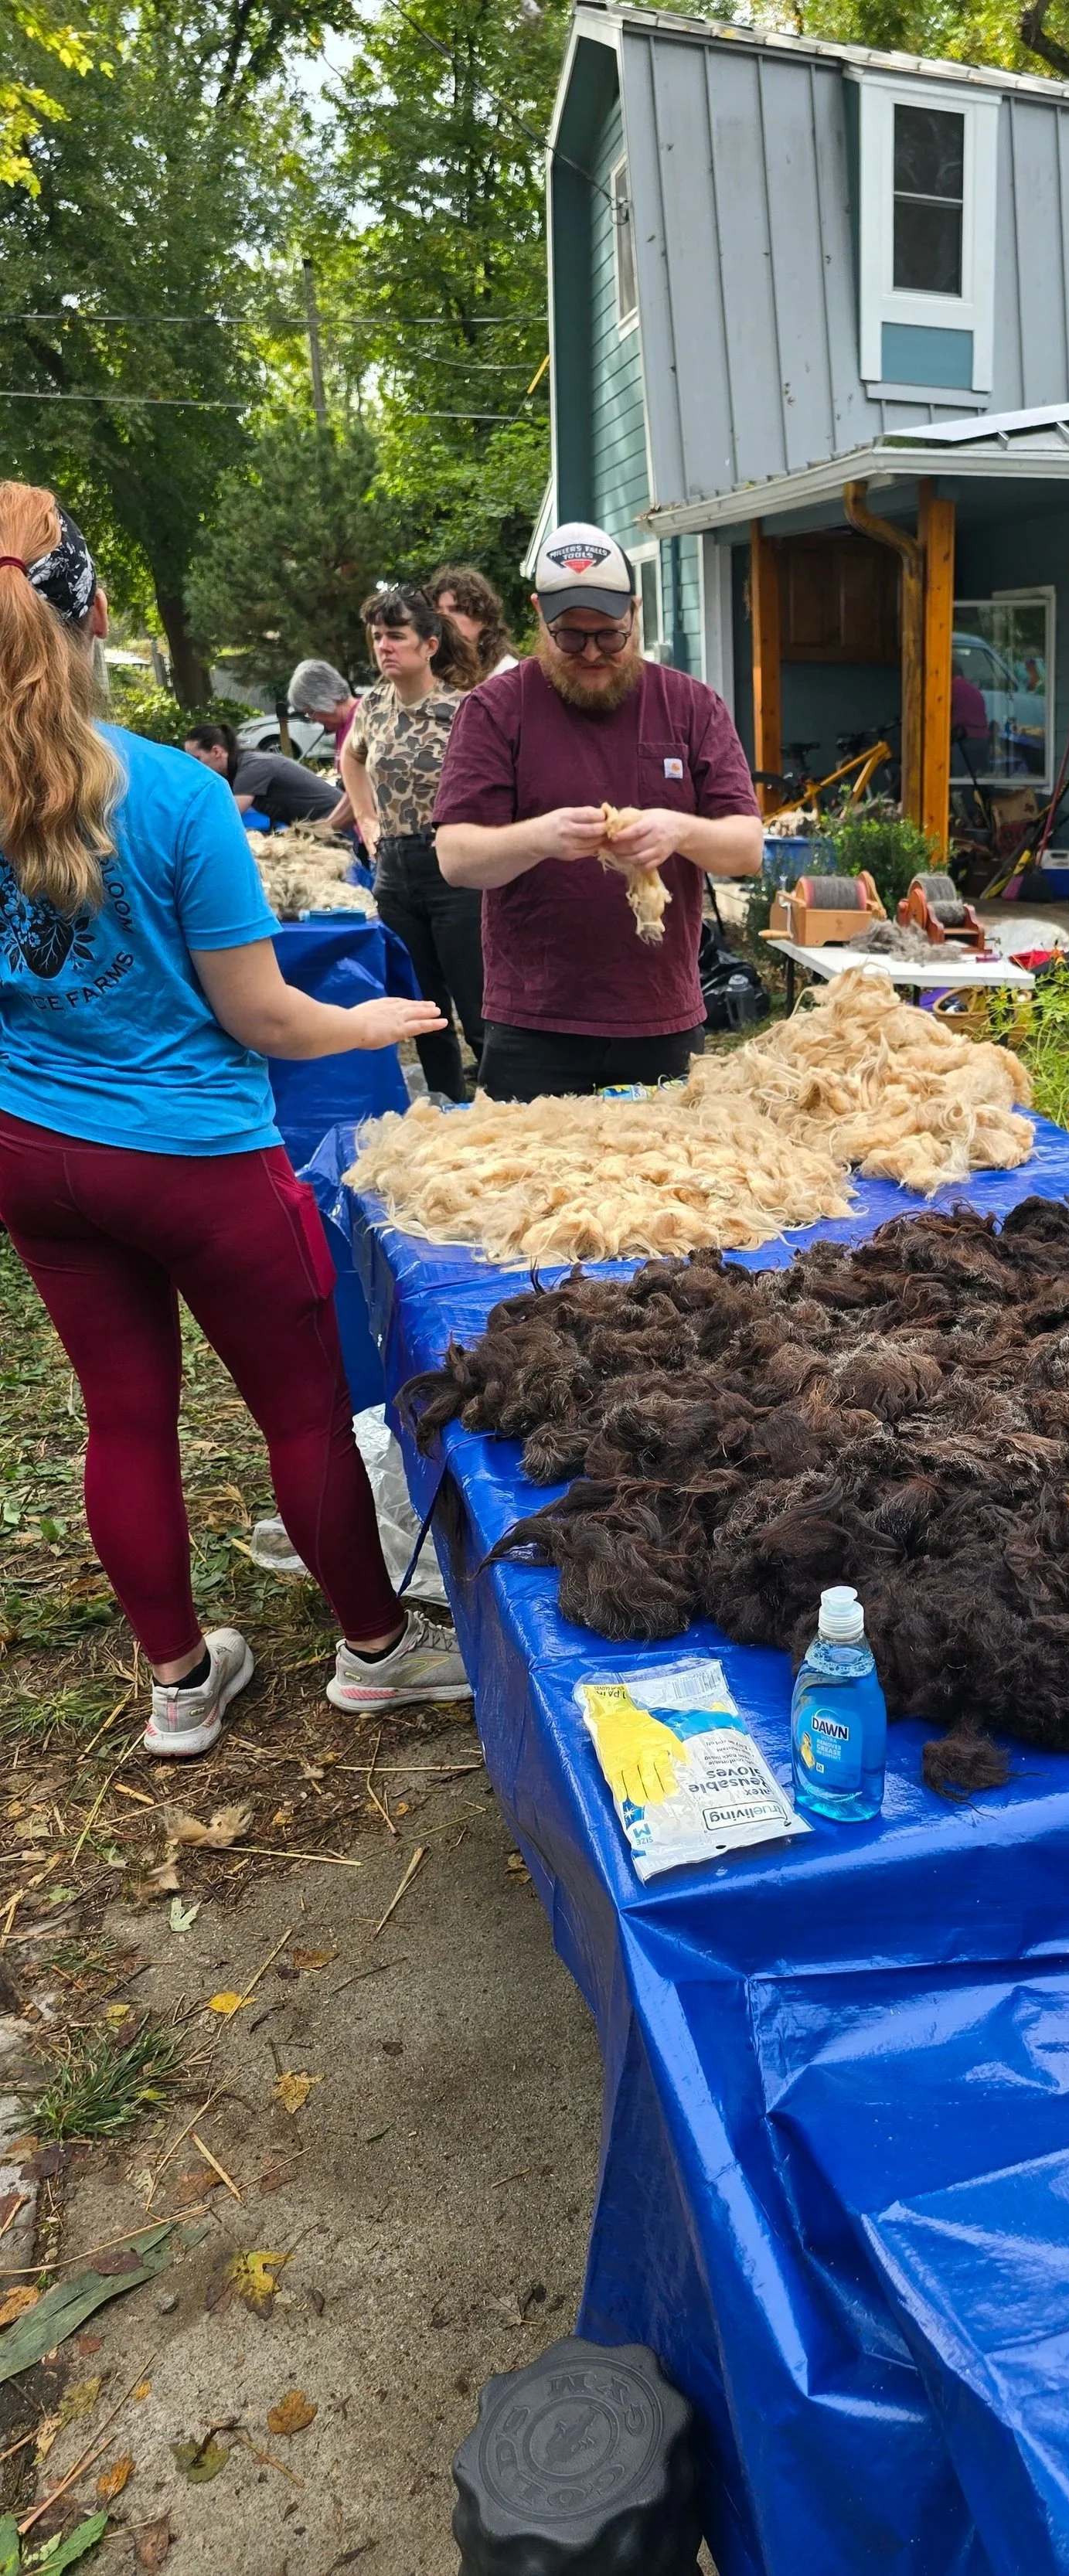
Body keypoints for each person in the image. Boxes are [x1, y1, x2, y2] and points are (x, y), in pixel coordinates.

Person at [0, 482, 471, 1758]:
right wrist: (368, 1023)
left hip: (34, 1157)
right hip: (195, 1157)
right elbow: (265, 1017)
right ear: (93, 609)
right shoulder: (171, 791)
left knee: (122, 1414)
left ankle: (177, 1683)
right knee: (304, 1411)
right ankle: (376, 1651)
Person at [434, 520, 762, 1101]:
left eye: (610, 635)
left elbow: (746, 848)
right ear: (539, 615)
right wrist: (541, 837)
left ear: (636, 612)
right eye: (570, 637)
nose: (591, 653)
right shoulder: (494, 710)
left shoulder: (691, 706)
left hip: (660, 1019)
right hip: (534, 1025)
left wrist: (678, 829)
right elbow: (457, 859)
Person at [340, 587, 484, 1102]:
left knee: (477, 1001)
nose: (384, 647)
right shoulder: (373, 704)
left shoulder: (462, 708)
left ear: (429, 644)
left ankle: (500, 1109)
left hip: (453, 870)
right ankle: (446, 1108)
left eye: (396, 636)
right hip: (394, 870)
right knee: (422, 1008)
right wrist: (365, 817)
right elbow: (352, 760)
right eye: (378, 636)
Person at [182, 720, 340, 830]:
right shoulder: (234, 771)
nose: (194, 767)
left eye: (197, 759)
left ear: (216, 751)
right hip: (318, 826)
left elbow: (228, 815)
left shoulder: (252, 766)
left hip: (339, 821)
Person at [288, 659, 360, 838]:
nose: (313, 720)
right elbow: (351, 792)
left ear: (324, 700)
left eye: (311, 712)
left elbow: (363, 794)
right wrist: (322, 828)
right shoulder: (342, 727)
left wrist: (321, 833)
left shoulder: (362, 723)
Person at [428, 563, 518, 679]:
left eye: (456, 610)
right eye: (438, 611)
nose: (444, 618)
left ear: (483, 619)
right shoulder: (425, 671)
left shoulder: (507, 674)